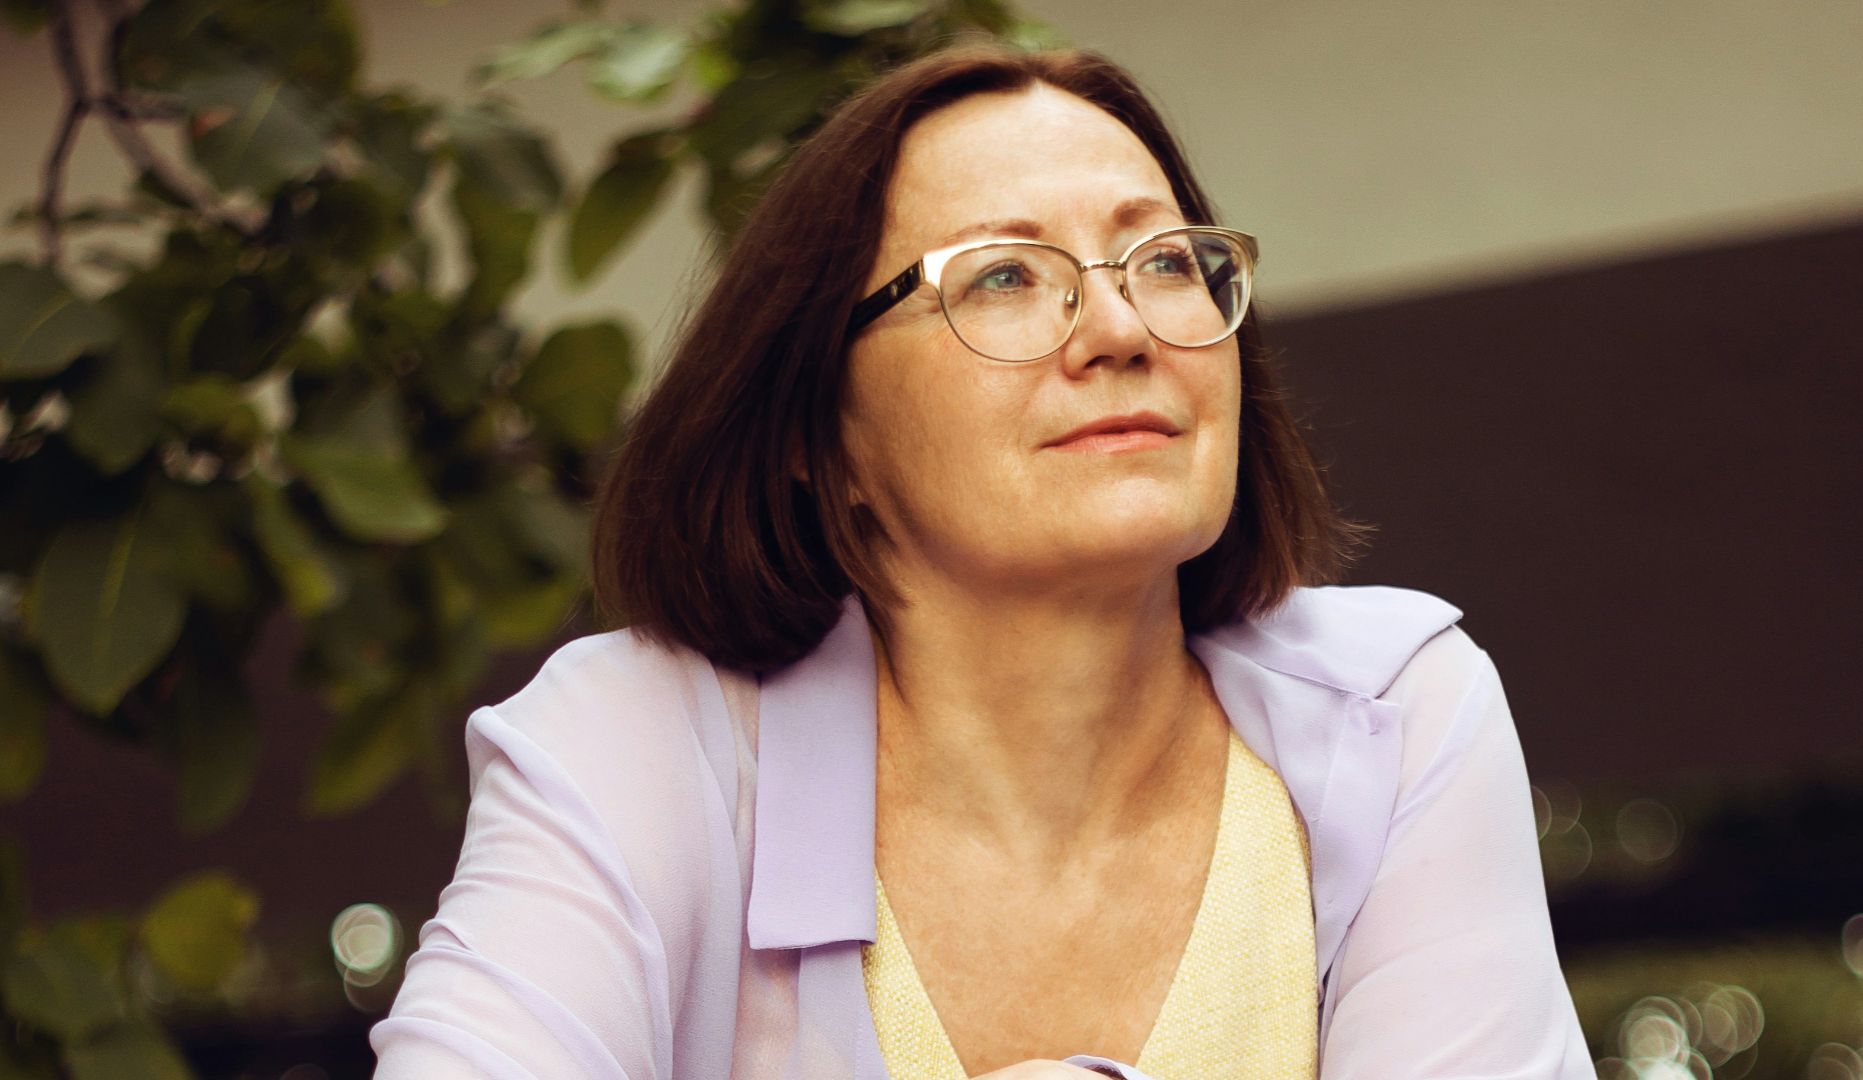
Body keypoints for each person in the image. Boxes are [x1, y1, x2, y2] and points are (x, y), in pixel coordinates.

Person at [368, 42, 1595, 1080]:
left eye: (1164, 260)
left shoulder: (1396, 715)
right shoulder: (636, 745)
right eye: (1004, 277)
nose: (1120, 330)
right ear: (818, 434)